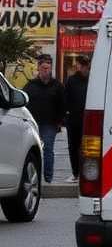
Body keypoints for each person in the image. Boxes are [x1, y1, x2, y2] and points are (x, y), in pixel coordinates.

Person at [22, 54, 66, 184]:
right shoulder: (31, 85)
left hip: (50, 123)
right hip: (33, 124)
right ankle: (35, 176)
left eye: (48, 68)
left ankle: (48, 177)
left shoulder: (57, 86)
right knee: (33, 150)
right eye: (43, 68)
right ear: (39, 69)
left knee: (47, 149)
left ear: (51, 69)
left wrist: (59, 121)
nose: (45, 71)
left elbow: (63, 104)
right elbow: (24, 103)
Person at [64, 54, 91, 183]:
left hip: (89, 120)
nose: (85, 68)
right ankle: (75, 173)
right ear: (78, 66)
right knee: (73, 147)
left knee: (88, 148)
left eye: (86, 66)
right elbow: (66, 99)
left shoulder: (92, 79)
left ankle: (87, 173)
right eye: (82, 66)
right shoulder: (71, 80)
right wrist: (67, 115)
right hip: (74, 120)